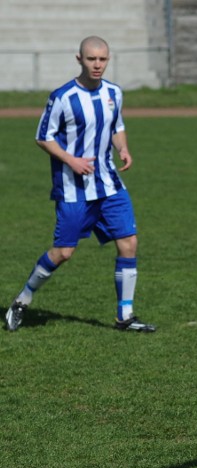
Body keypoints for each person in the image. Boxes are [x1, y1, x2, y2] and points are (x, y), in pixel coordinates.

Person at [5, 36, 155, 333]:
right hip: (74, 188)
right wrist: (71, 160)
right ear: (79, 59)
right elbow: (43, 137)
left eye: (102, 59)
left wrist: (122, 148)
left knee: (129, 243)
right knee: (63, 252)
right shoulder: (62, 97)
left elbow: (117, 127)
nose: (97, 65)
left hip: (109, 183)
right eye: (91, 59)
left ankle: (125, 316)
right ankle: (22, 299)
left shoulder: (114, 93)